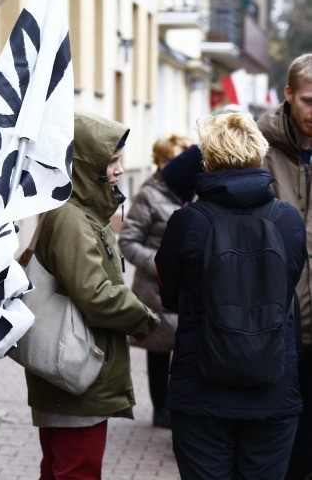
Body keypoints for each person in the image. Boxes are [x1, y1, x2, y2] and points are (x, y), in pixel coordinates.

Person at [156, 112, 304, 479]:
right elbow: (290, 285)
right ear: (259, 156)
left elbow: (169, 296)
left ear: (207, 160)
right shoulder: (287, 219)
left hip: (201, 388)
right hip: (273, 386)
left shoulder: (188, 221)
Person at [25, 110, 160, 479]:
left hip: (74, 366)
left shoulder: (81, 212)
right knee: (76, 471)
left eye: (119, 160)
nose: (118, 169)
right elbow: (96, 295)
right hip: (77, 367)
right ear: (85, 164)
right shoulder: (72, 218)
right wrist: (144, 319)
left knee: (60, 468)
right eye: (110, 161)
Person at [257, 53, 312, 480]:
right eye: (309, 100)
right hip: (274, 323)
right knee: (279, 446)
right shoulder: (258, 149)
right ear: (289, 95)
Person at [118, 133, 193, 429]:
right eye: (173, 158)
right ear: (161, 162)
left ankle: (180, 406)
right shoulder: (149, 194)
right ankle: (161, 409)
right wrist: (161, 264)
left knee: (185, 353)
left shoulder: (194, 191)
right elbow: (128, 241)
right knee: (159, 352)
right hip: (155, 290)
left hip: (187, 289)